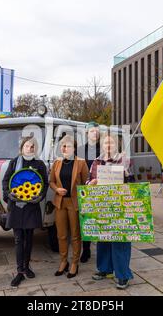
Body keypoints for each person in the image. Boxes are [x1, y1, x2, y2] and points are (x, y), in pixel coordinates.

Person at [87, 133, 134, 290]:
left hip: (120, 205)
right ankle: (105, 269)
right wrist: (91, 183)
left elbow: (133, 182)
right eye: (105, 143)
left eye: (111, 143)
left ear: (116, 145)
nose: (108, 145)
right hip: (102, 206)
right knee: (103, 239)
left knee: (120, 241)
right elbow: (88, 181)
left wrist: (126, 172)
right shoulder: (96, 162)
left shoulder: (125, 160)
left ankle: (122, 275)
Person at [2, 136, 49, 287]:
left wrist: (40, 197)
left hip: (31, 206)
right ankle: (19, 271)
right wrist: (9, 194)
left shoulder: (39, 164)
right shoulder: (14, 162)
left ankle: (27, 267)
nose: (30, 148)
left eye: (32, 146)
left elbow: (45, 183)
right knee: (18, 239)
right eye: (27, 146)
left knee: (28, 239)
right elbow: (5, 181)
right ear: (22, 148)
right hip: (16, 206)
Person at [50, 135, 89, 278]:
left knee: (75, 235)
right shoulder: (57, 163)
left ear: (74, 148)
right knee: (61, 234)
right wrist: (56, 190)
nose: (65, 148)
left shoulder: (81, 163)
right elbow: (51, 181)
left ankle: (74, 263)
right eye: (63, 146)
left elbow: (86, 183)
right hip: (60, 203)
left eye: (68, 146)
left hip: (74, 203)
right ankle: (63, 261)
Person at [81, 121, 101, 263]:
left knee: (101, 220)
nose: (95, 133)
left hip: (101, 188)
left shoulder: (104, 148)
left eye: (97, 131)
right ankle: (86, 249)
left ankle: (102, 250)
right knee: (86, 220)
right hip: (85, 188)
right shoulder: (81, 150)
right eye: (92, 131)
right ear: (87, 133)